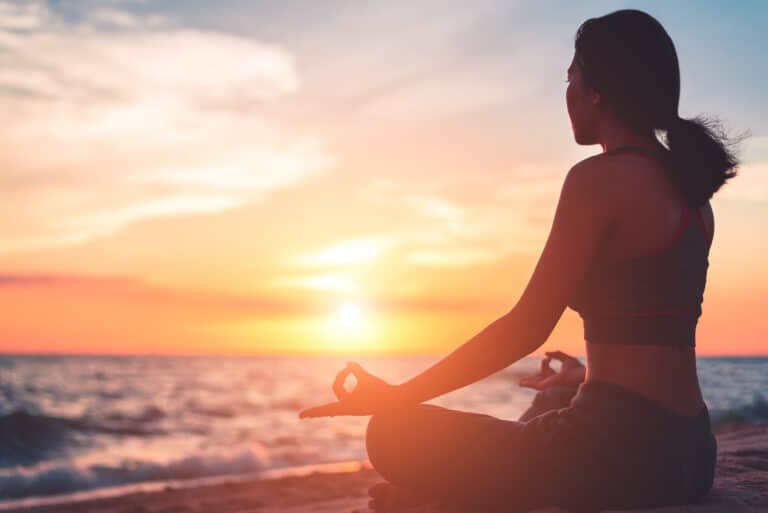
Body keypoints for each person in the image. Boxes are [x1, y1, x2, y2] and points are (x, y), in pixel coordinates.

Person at [298, 9, 741, 513]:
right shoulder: (694, 197)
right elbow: (653, 330)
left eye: (571, 76)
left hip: (620, 457)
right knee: (554, 400)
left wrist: (397, 396)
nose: (568, 91)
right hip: (690, 453)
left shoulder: (596, 180)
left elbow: (524, 328)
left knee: (393, 433)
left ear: (597, 90)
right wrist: (586, 375)